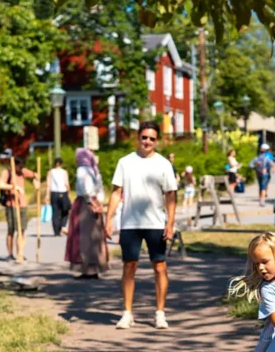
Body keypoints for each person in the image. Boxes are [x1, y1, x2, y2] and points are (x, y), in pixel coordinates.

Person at [104, 121, 177, 329]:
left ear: (157, 141)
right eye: (144, 137)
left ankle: (160, 313)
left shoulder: (163, 164)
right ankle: (127, 313)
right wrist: (108, 220)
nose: (147, 142)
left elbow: (170, 195)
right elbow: (116, 193)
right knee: (129, 266)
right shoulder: (125, 162)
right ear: (139, 137)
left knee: (159, 267)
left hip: (155, 223)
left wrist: (170, 223)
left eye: (152, 139)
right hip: (130, 223)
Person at [64, 148, 108, 278]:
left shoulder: (82, 170)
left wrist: (91, 202)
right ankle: (95, 268)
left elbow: (86, 189)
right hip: (96, 203)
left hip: (85, 204)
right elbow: (100, 188)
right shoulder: (95, 170)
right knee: (95, 237)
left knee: (83, 237)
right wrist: (99, 202)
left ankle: (86, 269)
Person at [0, 155, 39, 260]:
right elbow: (1, 184)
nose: (21, 169)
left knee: (21, 230)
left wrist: (35, 179)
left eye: (22, 167)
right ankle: (10, 253)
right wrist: (14, 187)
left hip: (22, 205)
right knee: (11, 230)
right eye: (19, 167)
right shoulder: (7, 172)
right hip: (11, 204)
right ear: (14, 165)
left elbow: (35, 174)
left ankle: (19, 253)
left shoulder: (22, 171)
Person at [47, 157, 71, 237]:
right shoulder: (64, 172)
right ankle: (62, 225)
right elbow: (66, 183)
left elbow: (48, 184)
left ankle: (56, 231)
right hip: (63, 192)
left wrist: (47, 195)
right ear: (61, 163)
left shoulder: (50, 172)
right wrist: (69, 192)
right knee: (65, 210)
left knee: (55, 212)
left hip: (54, 193)